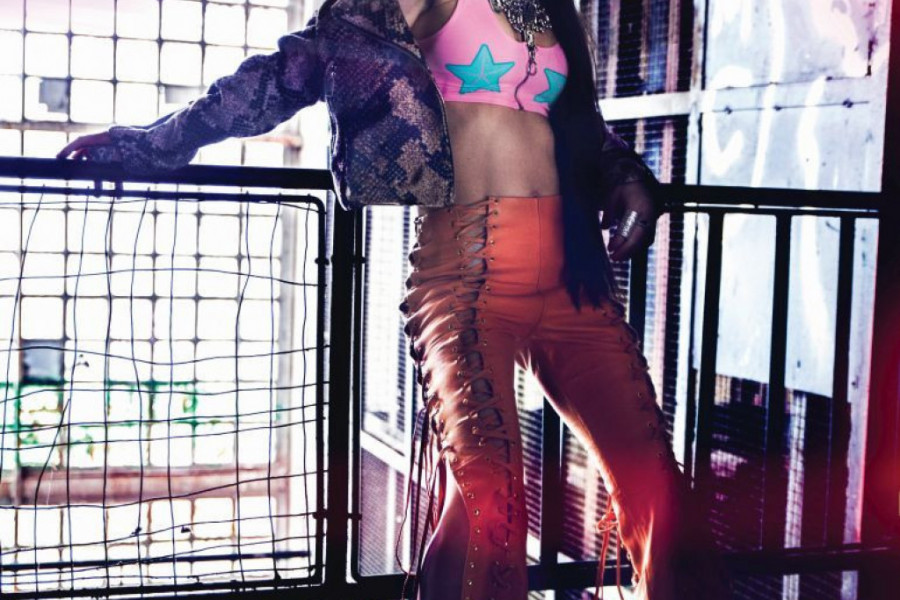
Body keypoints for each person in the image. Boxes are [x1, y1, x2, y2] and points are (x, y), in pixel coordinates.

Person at [58, 1, 730, 598]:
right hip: (467, 273)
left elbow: (582, 129)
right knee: (491, 498)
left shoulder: (552, 11)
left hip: (571, 281)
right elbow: (280, 77)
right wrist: (150, 144)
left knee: (657, 485)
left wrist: (629, 177)